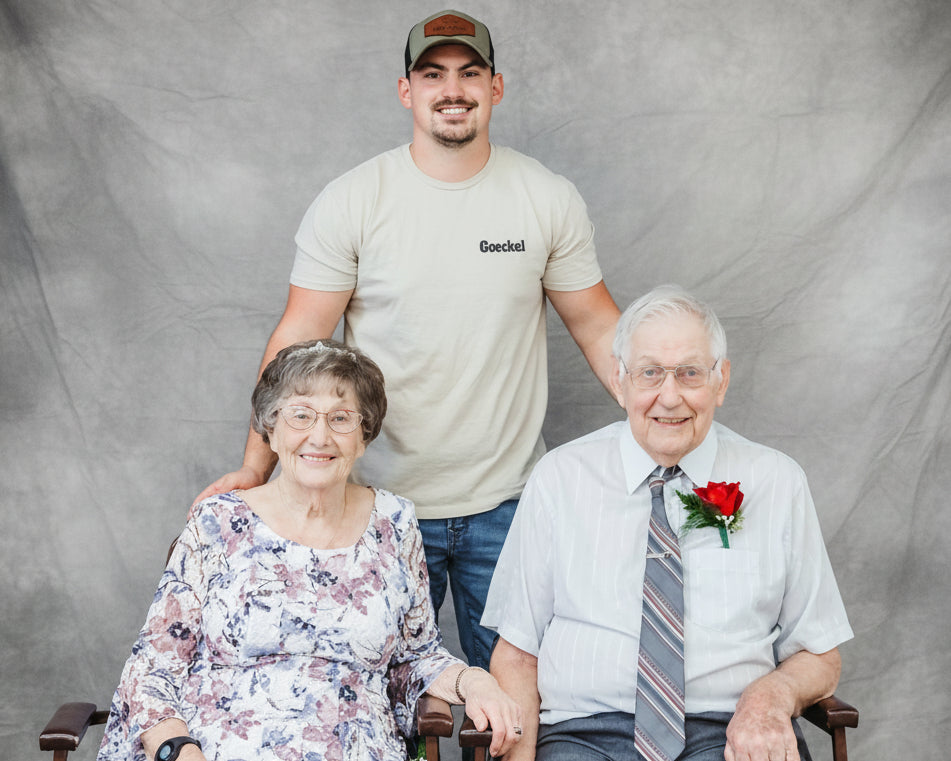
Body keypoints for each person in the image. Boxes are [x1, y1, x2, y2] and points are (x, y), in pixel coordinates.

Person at [195, 9, 621, 673]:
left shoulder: (545, 198)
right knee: (383, 706)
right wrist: (256, 467)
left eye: (468, 72)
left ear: (495, 87)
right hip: (375, 505)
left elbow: (597, 325)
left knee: (515, 712)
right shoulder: (354, 200)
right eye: (433, 74)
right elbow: (296, 340)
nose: (452, 89)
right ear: (407, 91)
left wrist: (670, 422)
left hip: (507, 503)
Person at [99, 339, 522, 761]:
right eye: (301, 415)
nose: (319, 436)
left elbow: (413, 660)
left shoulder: (394, 522)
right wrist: (180, 751)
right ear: (272, 429)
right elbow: (151, 668)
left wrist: (473, 682)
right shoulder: (217, 522)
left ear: (363, 435)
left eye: (340, 418)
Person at [483, 285, 854, 761]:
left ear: (721, 382)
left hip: (725, 731)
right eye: (650, 373)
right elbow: (516, 652)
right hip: (585, 734)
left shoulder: (777, 482)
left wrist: (769, 699)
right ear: (619, 381)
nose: (670, 396)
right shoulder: (560, 477)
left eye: (690, 374)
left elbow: (821, 654)